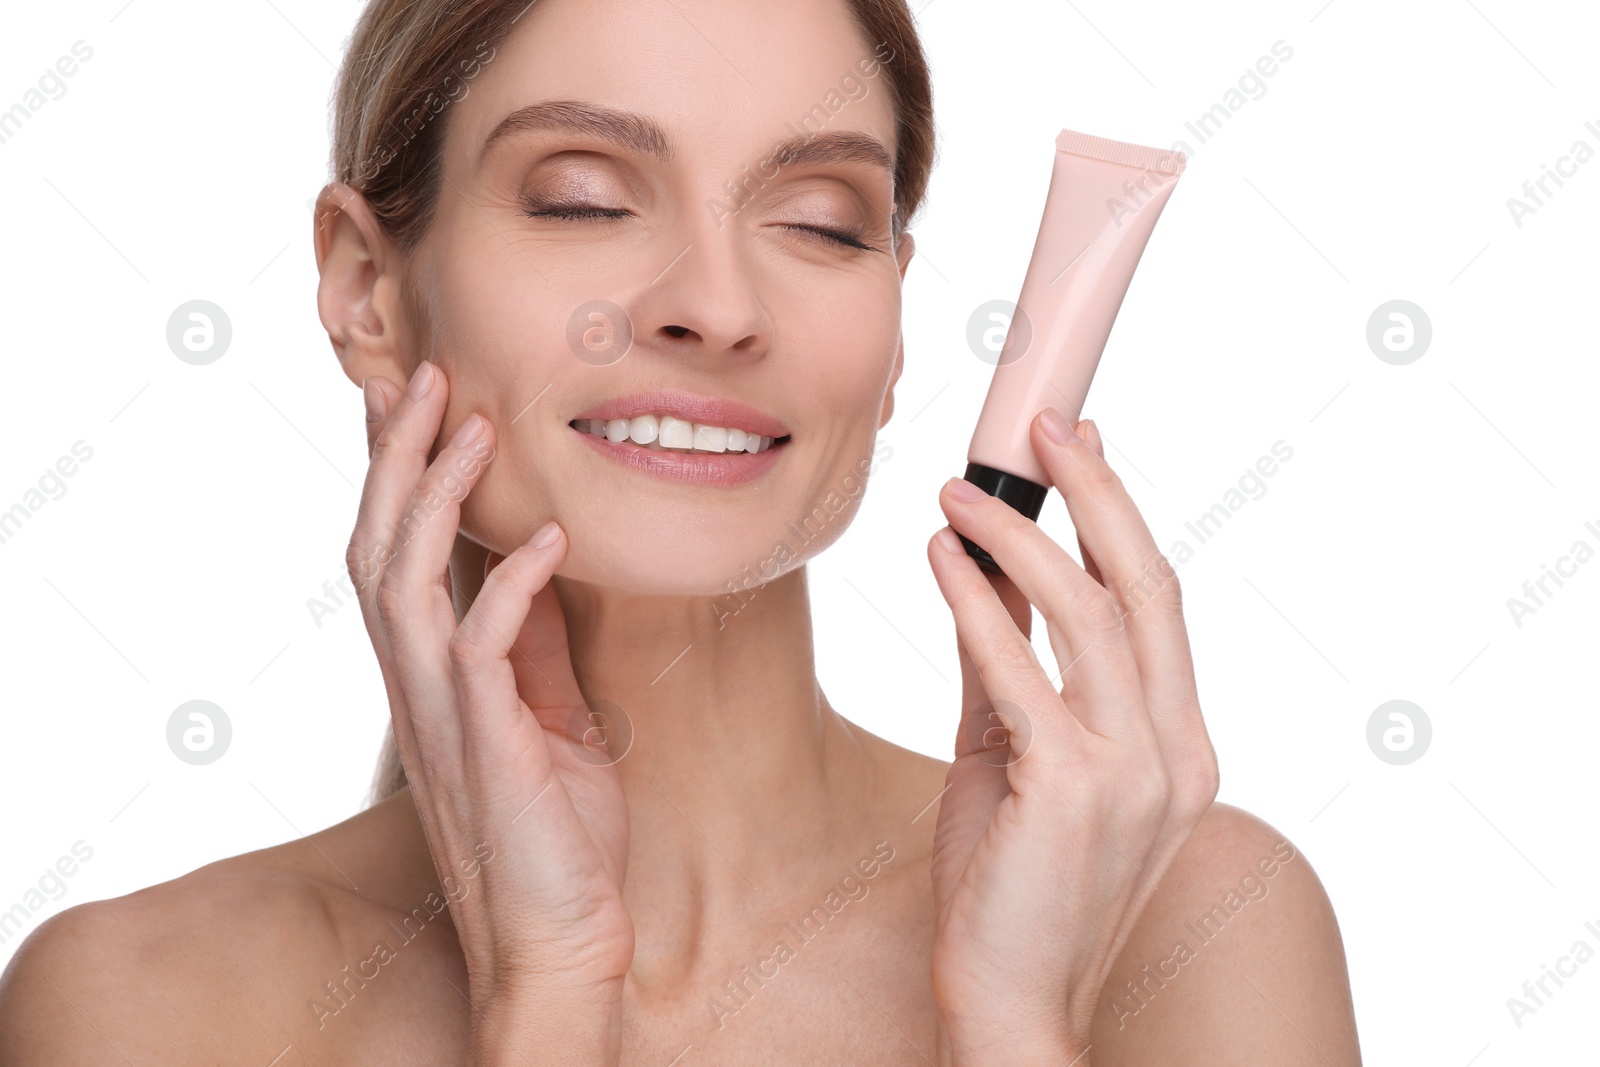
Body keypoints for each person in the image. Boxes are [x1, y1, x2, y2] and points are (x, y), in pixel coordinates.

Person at [0, 0, 1361, 1062]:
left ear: (891, 333)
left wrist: (1014, 1032)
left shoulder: (1190, 926)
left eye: (823, 225)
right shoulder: (149, 1003)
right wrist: (546, 996)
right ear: (369, 292)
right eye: (582, 198)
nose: (719, 302)